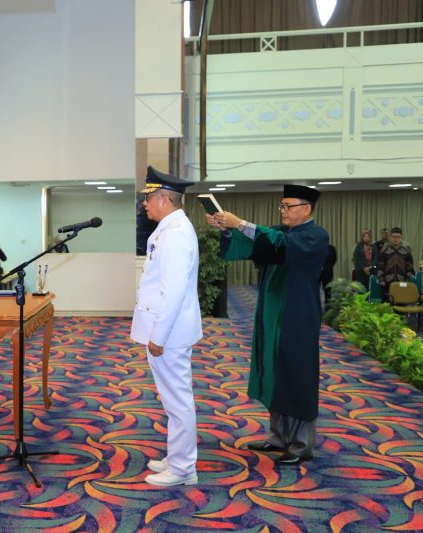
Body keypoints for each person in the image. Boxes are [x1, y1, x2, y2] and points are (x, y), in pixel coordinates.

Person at [206, 184, 329, 465]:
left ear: (306, 209)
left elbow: (280, 245)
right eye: (281, 206)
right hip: (271, 314)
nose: (283, 211)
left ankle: (301, 445)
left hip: (297, 317)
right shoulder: (281, 232)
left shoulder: (315, 235)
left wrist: (241, 223)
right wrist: (228, 228)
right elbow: (254, 245)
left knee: (296, 376)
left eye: (288, 206)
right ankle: (279, 437)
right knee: (274, 373)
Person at [130, 166, 202, 487]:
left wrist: (158, 336)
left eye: (148, 198)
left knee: (178, 400)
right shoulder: (170, 228)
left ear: (163, 199)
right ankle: (177, 458)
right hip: (167, 331)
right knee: (172, 401)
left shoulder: (176, 234)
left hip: (169, 334)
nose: (144, 204)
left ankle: (183, 468)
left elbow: (172, 291)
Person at [376, 227, 415, 300]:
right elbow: (380, 267)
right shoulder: (384, 251)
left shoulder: (406, 252)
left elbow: (410, 268)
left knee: (401, 303)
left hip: (402, 282)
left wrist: (407, 281)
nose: (395, 239)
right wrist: (381, 280)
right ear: (390, 237)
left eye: (398, 237)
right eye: (394, 237)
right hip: (386, 282)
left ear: (401, 238)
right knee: (386, 304)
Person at [320, 244, 336, 309]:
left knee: (328, 290)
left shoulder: (331, 248)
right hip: (316, 272)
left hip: (327, 272)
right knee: (314, 290)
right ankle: (316, 307)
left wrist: (327, 266)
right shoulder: (316, 248)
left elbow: (334, 259)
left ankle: (328, 307)